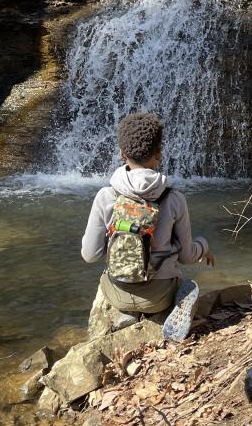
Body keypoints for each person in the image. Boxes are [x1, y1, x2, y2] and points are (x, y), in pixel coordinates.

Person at [81, 112, 214, 341]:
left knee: (110, 277)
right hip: (159, 295)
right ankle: (172, 309)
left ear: (122, 154)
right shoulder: (174, 198)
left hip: (116, 293)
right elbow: (187, 256)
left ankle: (128, 313)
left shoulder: (106, 196)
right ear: (159, 153)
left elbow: (89, 255)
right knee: (186, 283)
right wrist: (204, 246)